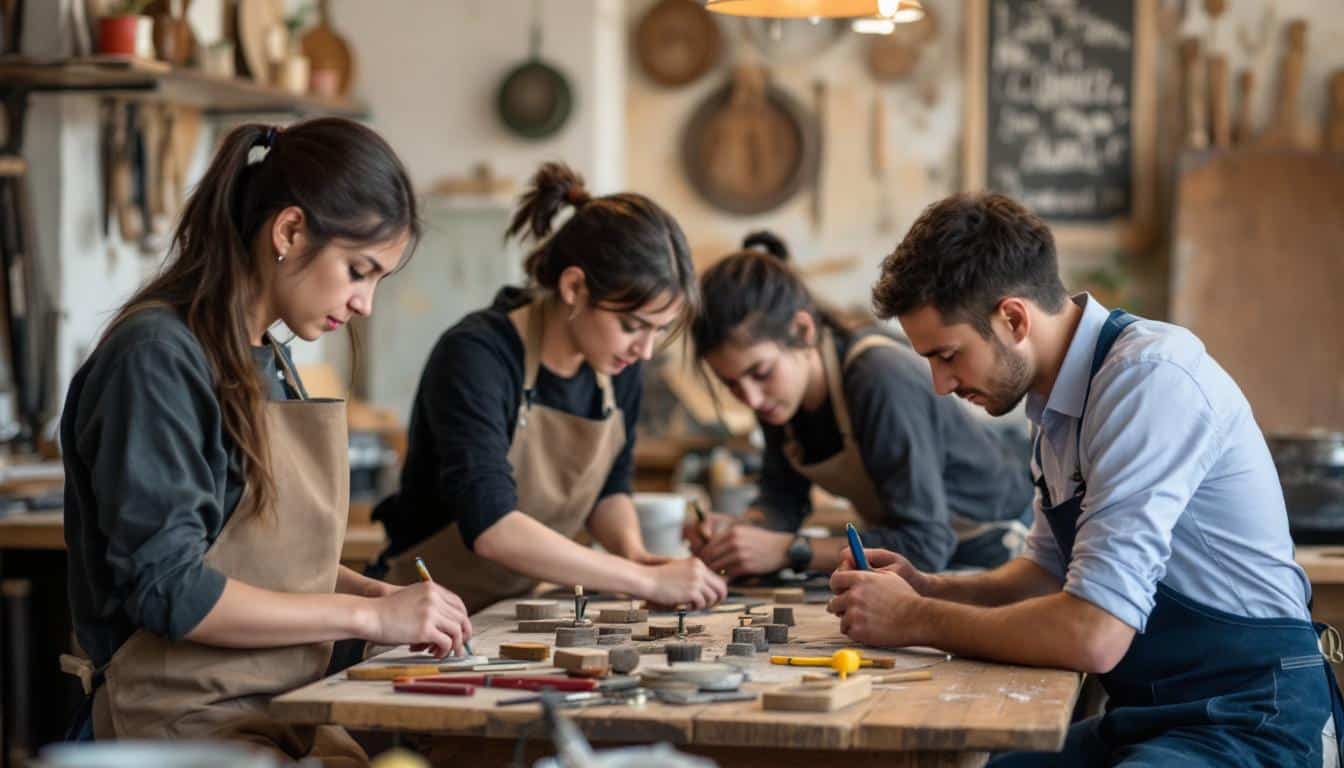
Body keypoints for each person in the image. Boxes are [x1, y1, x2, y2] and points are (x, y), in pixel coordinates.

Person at [830, 192, 1344, 765]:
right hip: (1154, 715)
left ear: (1013, 318)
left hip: (1254, 715)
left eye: (948, 354)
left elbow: (1094, 633)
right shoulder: (1052, 405)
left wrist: (915, 619)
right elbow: (1047, 576)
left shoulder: (1147, 382)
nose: (940, 384)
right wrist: (928, 586)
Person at [60, 119, 471, 765]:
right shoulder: (157, 359)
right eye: (358, 270)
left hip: (279, 705)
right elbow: (169, 588)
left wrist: (375, 594)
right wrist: (365, 621)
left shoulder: (266, 356)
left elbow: (255, 555)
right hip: (181, 722)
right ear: (289, 232)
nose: (364, 303)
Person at [373, 163, 726, 612]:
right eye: (633, 326)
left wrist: (633, 554)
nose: (646, 351)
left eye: (659, 330)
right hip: (416, 614)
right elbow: (492, 526)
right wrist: (642, 581)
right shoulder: (477, 355)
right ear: (574, 287)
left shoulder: (618, 366)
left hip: (514, 611)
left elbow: (609, 488)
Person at [684, 231, 1032, 578]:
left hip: (997, 557)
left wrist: (790, 550)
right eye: (730, 383)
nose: (751, 398)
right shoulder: (777, 400)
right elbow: (782, 499)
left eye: (760, 372)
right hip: (929, 562)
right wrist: (742, 533)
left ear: (803, 331)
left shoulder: (879, 378)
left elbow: (925, 543)